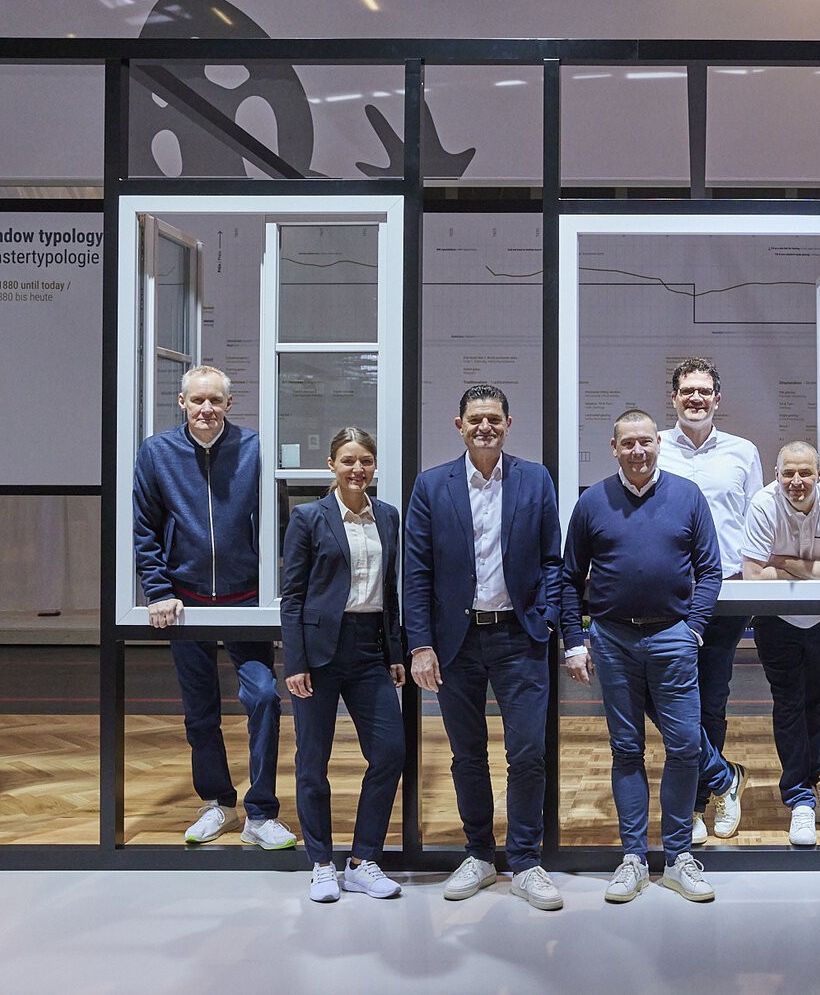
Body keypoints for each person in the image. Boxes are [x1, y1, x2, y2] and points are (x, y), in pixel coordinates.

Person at [405, 385, 564, 911]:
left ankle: (524, 860)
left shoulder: (535, 479)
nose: (485, 427)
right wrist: (421, 643)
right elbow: (417, 571)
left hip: (520, 637)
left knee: (527, 753)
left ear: (508, 423)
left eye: (494, 419)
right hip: (456, 641)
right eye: (476, 419)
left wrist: (544, 617)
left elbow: (551, 560)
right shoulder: (432, 486)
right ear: (459, 424)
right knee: (466, 754)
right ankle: (478, 853)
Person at [132, 364, 296, 850]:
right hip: (186, 603)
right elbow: (144, 526)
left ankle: (261, 813)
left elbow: (280, 524)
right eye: (197, 401)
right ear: (181, 403)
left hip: (247, 599)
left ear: (230, 404)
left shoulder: (256, 449)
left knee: (263, 697)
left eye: (215, 401)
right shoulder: (157, 452)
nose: (206, 409)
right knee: (200, 710)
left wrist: (278, 590)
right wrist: (158, 590)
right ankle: (218, 804)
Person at [561, 409, 722, 903]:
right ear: (614, 448)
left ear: (658, 445)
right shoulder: (592, 501)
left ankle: (677, 858)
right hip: (612, 641)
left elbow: (710, 570)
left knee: (685, 748)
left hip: (673, 637)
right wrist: (574, 640)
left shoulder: (687, 496)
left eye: (645, 442)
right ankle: (633, 856)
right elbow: (569, 577)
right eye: (627, 443)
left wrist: (693, 629)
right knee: (625, 750)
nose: (637, 451)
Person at [280, 427, 404, 903]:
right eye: (348, 460)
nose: (358, 469)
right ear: (331, 464)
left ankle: (361, 860)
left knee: (390, 751)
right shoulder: (309, 518)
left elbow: (390, 593)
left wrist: (394, 652)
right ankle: (320, 863)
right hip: (317, 653)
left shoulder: (388, 517)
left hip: (369, 649)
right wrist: (295, 660)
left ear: (374, 467)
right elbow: (293, 596)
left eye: (366, 461)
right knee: (313, 761)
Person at [658, 356, 760, 842]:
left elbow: (757, 520)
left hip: (724, 594)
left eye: (704, 391)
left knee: (711, 700)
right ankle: (725, 776)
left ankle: (698, 804)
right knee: (665, 699)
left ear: (717, 399)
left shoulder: (743, 451)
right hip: (667, 594)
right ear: (673, 398)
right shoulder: (654, 448)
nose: (695, 398)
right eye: (686, 391)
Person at [740, 441, 820, 847]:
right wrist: (816, 571)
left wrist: (785, 563)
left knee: (818, 701)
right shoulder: (762, 504)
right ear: (776, 475)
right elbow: (753, 578)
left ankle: (810, 782)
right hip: (776, 618)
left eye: (805, 473)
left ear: (819, 474)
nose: (796, 481)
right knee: (789, 702)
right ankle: (799, 796)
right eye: (788, 473)